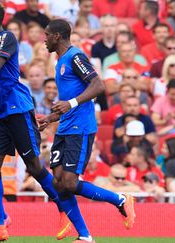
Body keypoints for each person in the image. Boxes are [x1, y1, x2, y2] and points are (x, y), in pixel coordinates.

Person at [0, 3, 71, 242]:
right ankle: (0, 225)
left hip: (18, 107)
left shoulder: (7, 38)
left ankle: (65, 209)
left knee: (33, 166)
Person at [39, 19, 135, 243]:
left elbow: (98, 86)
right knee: (58, 181)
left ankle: (120, 199)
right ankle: (84, 236)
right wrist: (51, 118)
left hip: (80, 128)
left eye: (46, 35)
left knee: (70, 183)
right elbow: (69, 99)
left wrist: (70, 104)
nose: (44, 40)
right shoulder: (60, 61)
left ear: (57, 36)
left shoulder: (75, 57)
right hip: (64, 127)